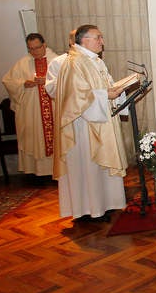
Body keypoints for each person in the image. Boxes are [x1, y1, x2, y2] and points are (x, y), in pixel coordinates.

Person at [53, 25, 130, 222]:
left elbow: (103, 86)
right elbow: (75, 97)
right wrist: (106, 94)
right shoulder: (74, 63)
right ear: (84, 40)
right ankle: (90, 209)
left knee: (98, 168)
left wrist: (116, 90)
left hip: (101, 120)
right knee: (88, 166)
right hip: (84, 126)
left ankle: (106, 203)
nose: (102, 42)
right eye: (98, 37)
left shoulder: (94, 61)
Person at [2, 33, 59, 179]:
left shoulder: (57, 61)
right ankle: (38, 173)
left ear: (44, 45)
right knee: (35, 139)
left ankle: (57, 171)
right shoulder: (23, 62)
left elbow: (67, 82)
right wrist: (23, 84)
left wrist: (47, 81)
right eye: (31, 49)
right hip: (32, 112)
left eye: (37, 48)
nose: (34, 52)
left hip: (53, 108)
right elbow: (8, 81)